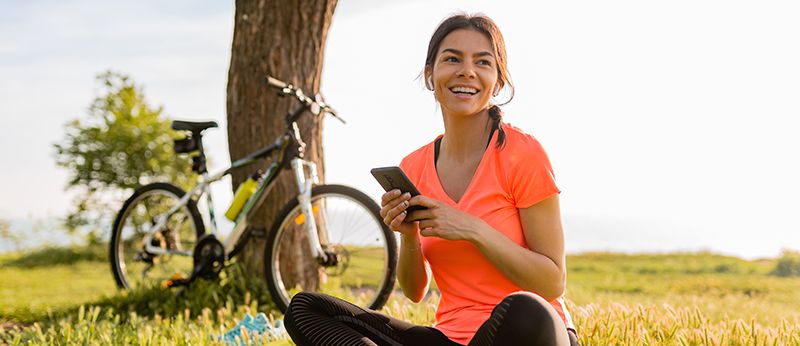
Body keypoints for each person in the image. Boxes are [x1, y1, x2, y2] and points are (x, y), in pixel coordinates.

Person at [283, 13, 579, 346]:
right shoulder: (414, 166)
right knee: (306, 308)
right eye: (452, 58)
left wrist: (471, 228)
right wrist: (408, 236)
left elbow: (553, 281)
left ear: (497, 81)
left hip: (528, 333)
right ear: (429, 75)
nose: (467, 71)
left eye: (483, 62)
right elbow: (414, 291)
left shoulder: (521, 153)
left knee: (525, 309)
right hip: (450, 338)